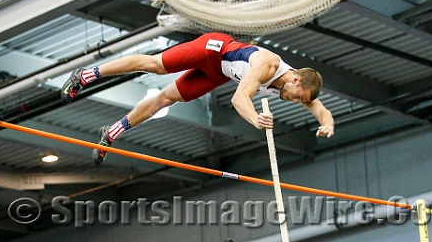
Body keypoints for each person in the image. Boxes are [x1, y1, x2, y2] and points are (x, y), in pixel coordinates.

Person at [61, 32, 335, 165]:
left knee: (166, 98)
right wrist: (256, 120)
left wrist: (328, 124)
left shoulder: (298, 90)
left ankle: (110, 133)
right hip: (212, 50)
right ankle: (87, 74)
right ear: (295, 79)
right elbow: (240, 99)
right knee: (154, 65)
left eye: (301, 101)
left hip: (219, 73)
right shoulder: (269, 65)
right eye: (298, 97)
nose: (296, 101)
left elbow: (321, 110)